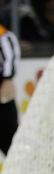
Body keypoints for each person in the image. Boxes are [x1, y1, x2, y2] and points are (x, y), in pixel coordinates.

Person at [0, 23, 20, 157]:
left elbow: (8, 42)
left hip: (1, 88)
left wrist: (7, 79)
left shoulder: (3, 34)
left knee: (9, 137)